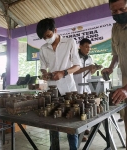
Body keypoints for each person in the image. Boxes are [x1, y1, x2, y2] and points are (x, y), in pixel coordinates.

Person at [36, 18, 81, 150]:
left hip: (68, 89)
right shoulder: (43, 49)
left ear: (55, 30)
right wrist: (45, 73)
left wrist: (63, 73)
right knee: (52, 121)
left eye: (49, 35)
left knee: (70, 122)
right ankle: (54, 147)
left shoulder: (69, 42)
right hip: (52, 90)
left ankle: (74, 148)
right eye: (44, 38)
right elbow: (43, 67)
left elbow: (77, 66)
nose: (47, 39)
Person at [101, 0, 127, 148]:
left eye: (122, 10)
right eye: (114, 12)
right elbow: (116, 54)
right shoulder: (115, 29)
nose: (118, 14)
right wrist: (111, 68)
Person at [73, 38, 102, 142]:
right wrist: (87, 67)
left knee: (86, 108)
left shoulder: (90, 58)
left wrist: (94, 68)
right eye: (86, 46)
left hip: (86, 88)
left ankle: (85, 128)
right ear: (80, 46)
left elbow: (91, 73)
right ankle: (79, 134)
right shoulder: (74, 57)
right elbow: (74, 72)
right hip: (76, 87)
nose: (88, 49)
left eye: (89, 47)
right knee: (78, 110)